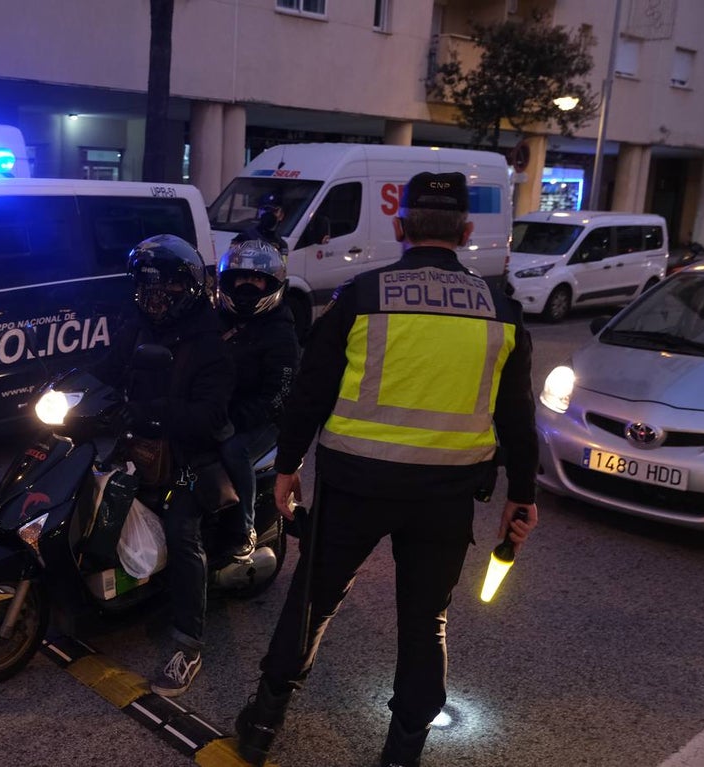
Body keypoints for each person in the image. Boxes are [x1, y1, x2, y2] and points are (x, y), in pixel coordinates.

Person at [233, 172, 540, 767]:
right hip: (446, 499)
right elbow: (518, 419)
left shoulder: (362, 294)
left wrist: (288, 465)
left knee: (312, 602)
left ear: (401, 228)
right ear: (466, 232)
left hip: (354, 486)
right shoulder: (500, 309)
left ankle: (262, 725)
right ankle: (402, 754)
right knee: (426, 623)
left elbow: (311, 389)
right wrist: (521, 496)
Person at [95, 233, 235, 697]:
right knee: (91, 492)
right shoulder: (137, 325)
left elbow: (209, 416)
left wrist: (153, 413)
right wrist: (70, 388)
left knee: (181, 531)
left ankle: (188, 645)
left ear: (189, 287)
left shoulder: (209, 340)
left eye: (167, 286)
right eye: (146, 286)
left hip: (190, 454)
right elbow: (108, 368)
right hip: (139, 443)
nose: (155, 296)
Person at [215, 239, 300, 560]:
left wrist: (233, 419)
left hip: (263, 419)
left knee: (233, 449)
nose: (247, 286)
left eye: (256, 279)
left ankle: (243, 528)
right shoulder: (217, 320)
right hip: (216, 410)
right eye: (240, 279)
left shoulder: (280, 332)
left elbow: (279, 393)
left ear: (271, 285)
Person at [233, 193, 288, 258]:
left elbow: (283, 263)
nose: (268, 213)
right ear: (259, 212)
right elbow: (232, 257)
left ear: (281, 215)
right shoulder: (245, 236)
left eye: (273, 211)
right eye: (265, 209)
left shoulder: (281, 244)